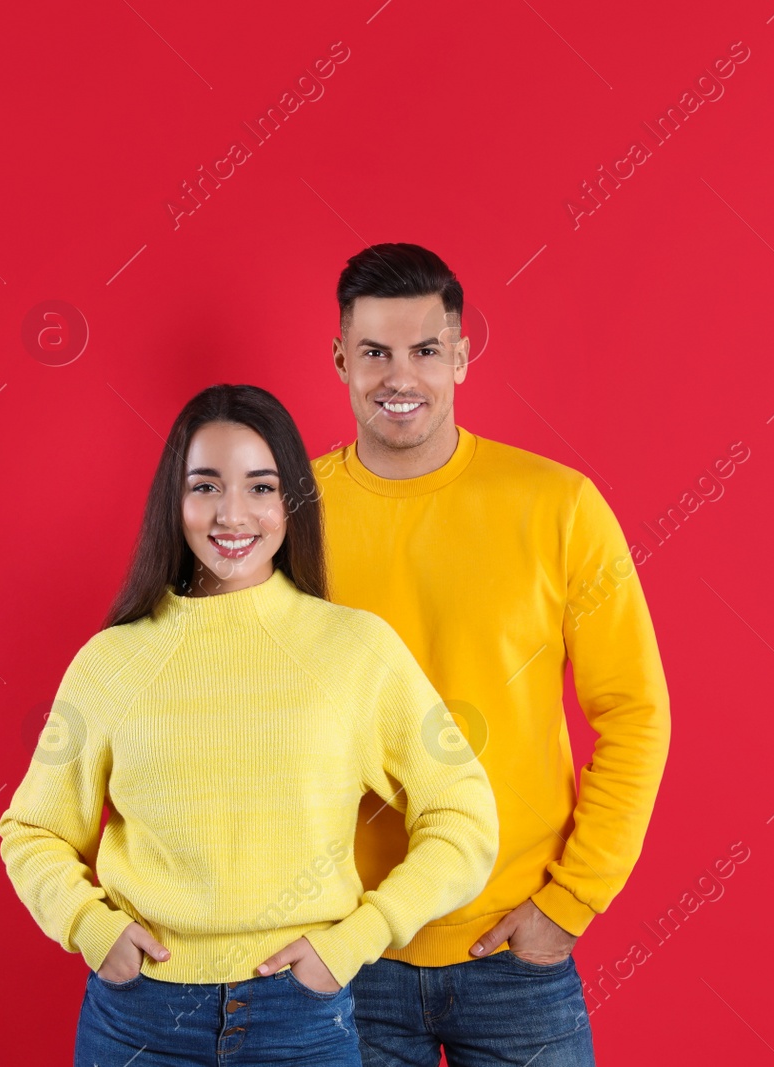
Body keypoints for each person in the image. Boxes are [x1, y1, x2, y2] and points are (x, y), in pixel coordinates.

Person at [0, 383, 501, 1066]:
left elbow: (463, 816)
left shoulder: (355, 649)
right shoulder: (111, 659)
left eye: (261, 487)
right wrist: (89, 925)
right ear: (172, 503)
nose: (232, 514)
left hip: (300, 1014)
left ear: (291, 500)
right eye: (205, 486)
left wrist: (358, 937)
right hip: (141, 1019)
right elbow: (33, 829)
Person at [310, 243, 672, 1066]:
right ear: (339, 360)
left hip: (513, 952)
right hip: (347, 949)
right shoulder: (287, 512)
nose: (400, 376)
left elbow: (637, 713)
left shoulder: (559, 506)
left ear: (461, 357)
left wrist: (572, 901)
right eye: (374, 353)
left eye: (425, 351)